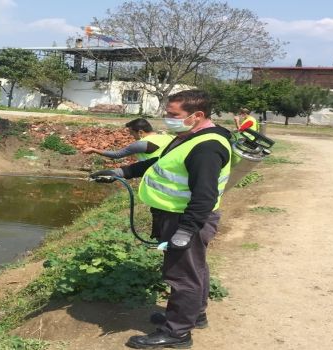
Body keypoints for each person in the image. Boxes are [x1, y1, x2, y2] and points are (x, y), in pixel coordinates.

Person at [90, 90, 232, 349]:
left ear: (197, 115)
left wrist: (186, 230)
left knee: (181, 276)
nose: (167, 118)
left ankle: (177, 333)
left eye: (173, 114)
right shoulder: (191, 136)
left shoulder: (206, 148)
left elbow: (205, 195)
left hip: (185, 218)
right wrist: (121, 171)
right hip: (176, 215)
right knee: (194, 268)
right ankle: (194, 315)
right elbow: (161, 163)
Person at [82, 118, 174, 161]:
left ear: (140, 132)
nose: (132, 136)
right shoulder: (170, 137)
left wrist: (94, 150)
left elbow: (117, 154)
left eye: (132, 133)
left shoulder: (141, 144)